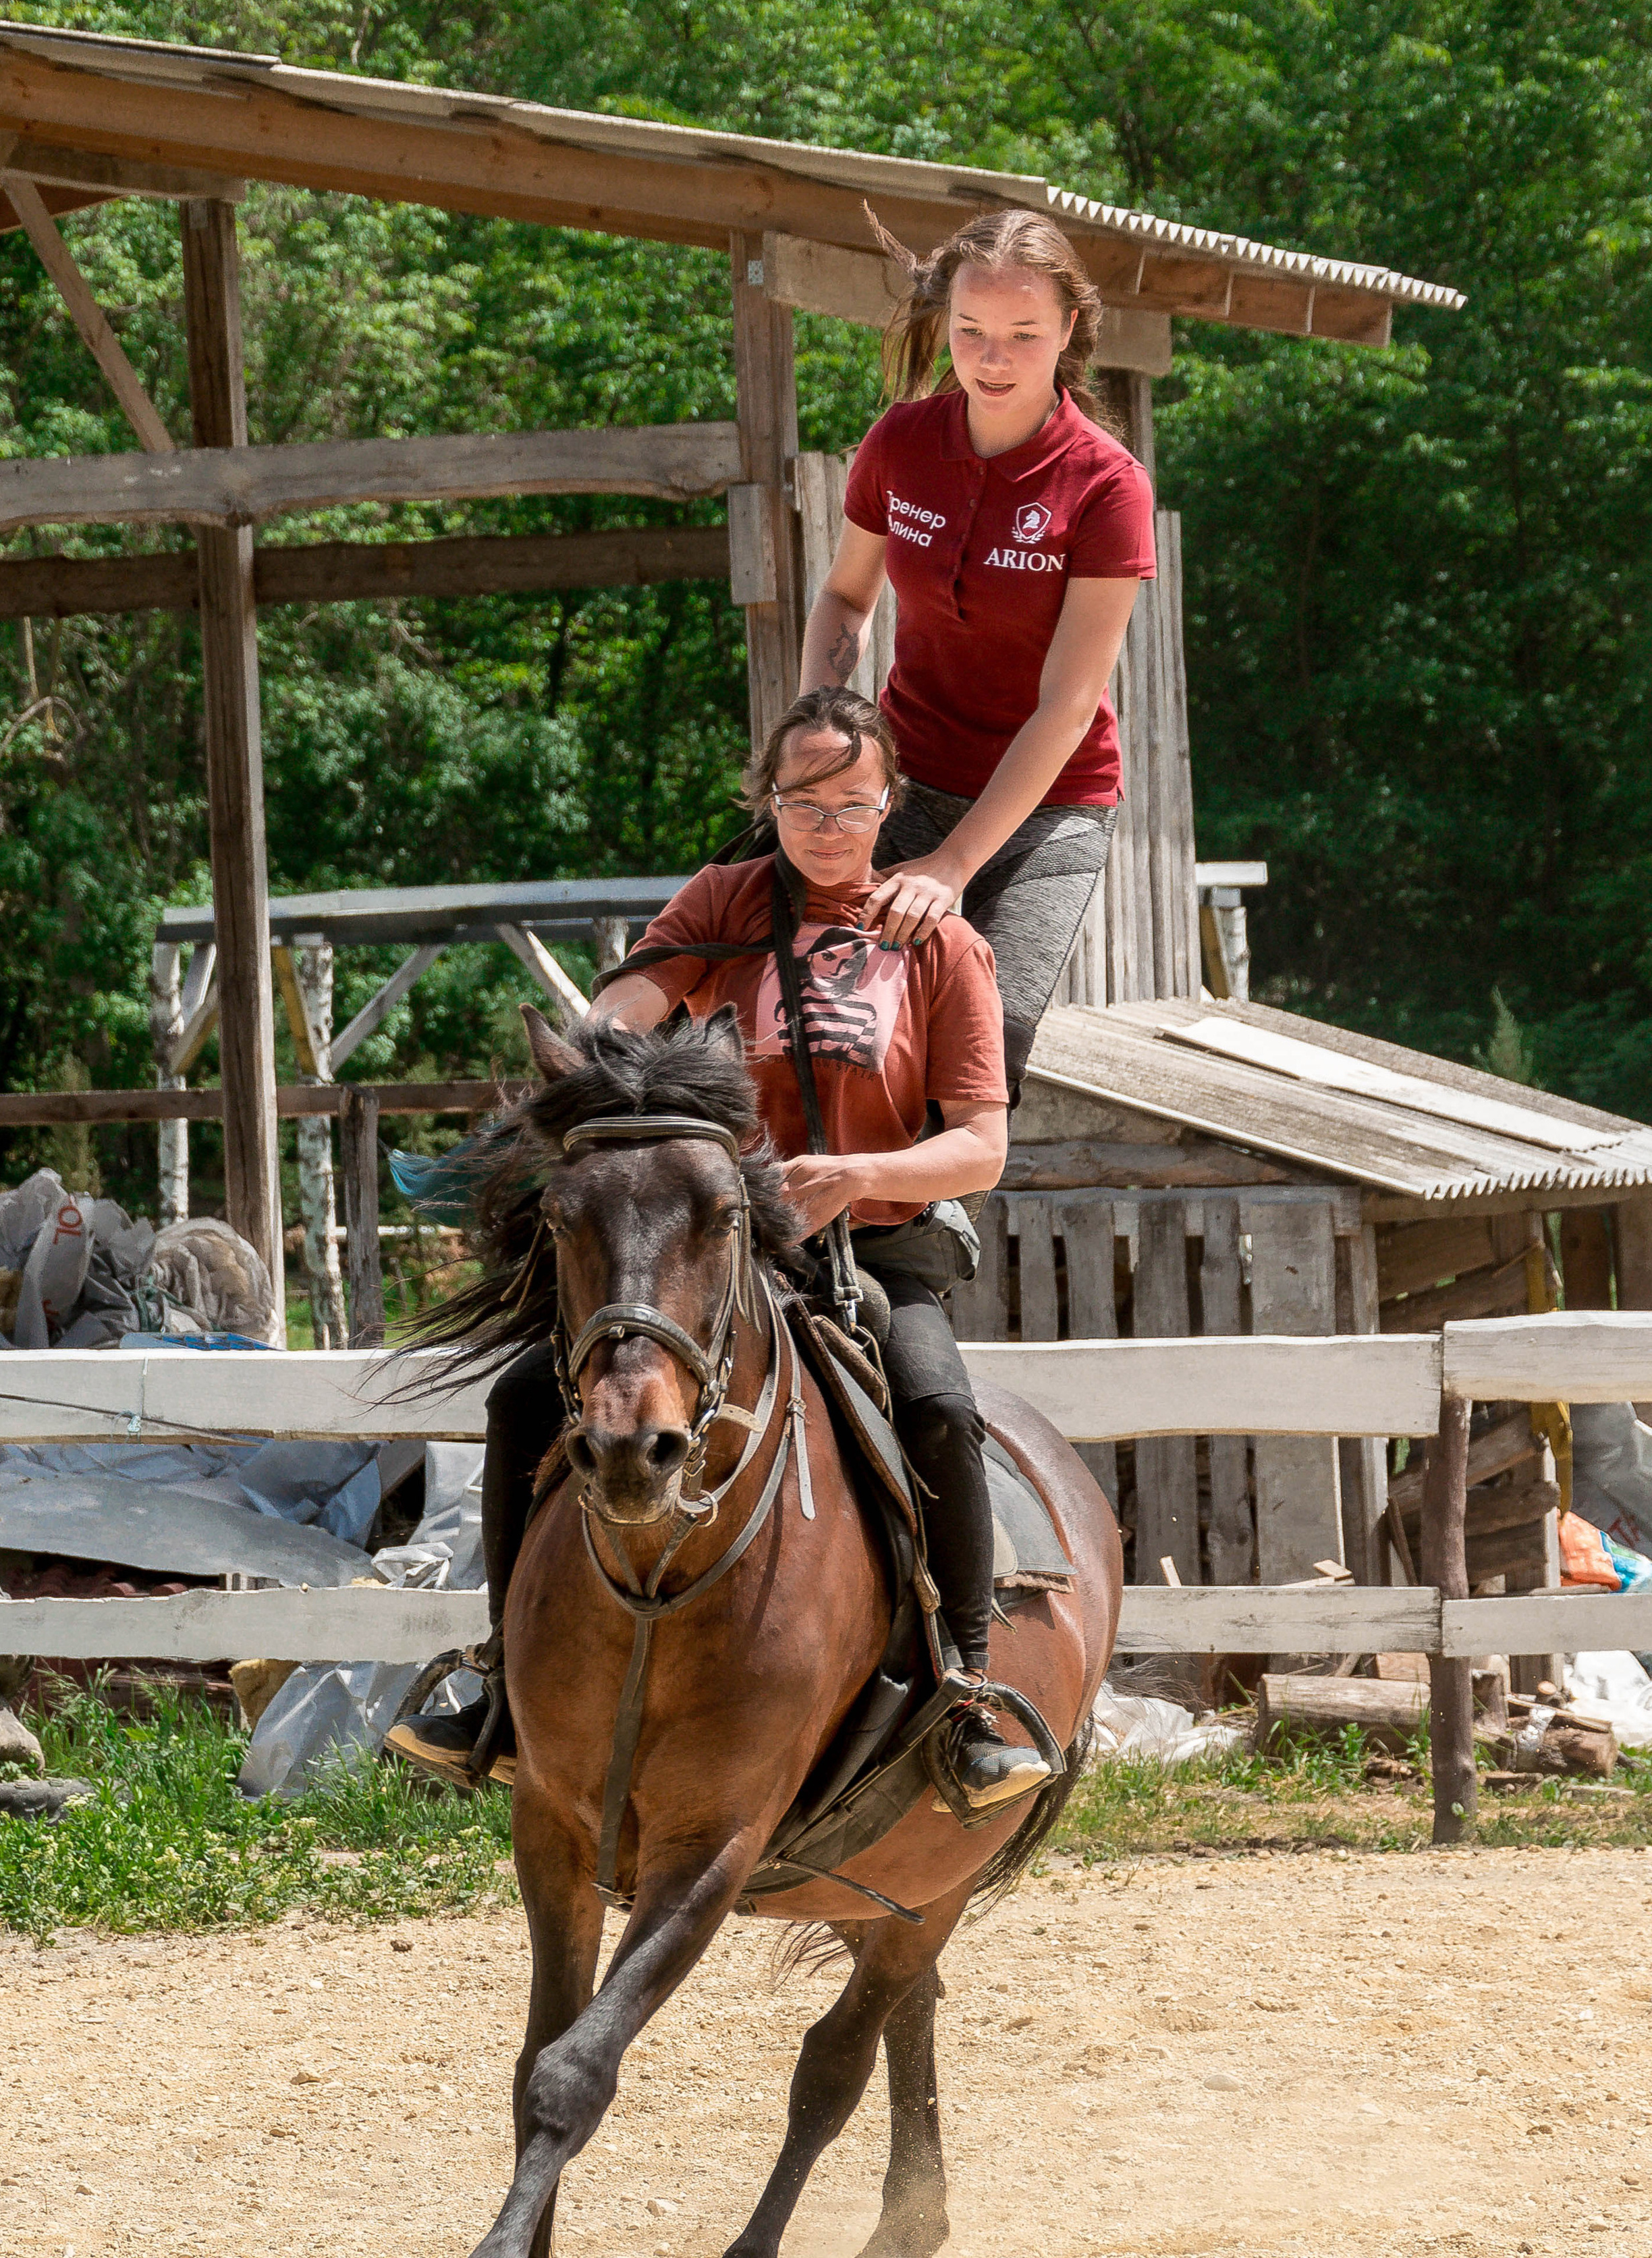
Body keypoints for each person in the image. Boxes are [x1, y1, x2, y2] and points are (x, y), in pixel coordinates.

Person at [389, 686, 1054, 1816]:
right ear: (769, 800)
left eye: (855, 802)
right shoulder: (728, 901)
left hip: (874, 1245)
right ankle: (500, 1685)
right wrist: (606, 1051)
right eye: (806, 800)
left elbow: (981, 1150)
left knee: (937, 1403)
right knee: (518, 1398)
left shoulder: (941, 940)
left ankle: (967, 1695)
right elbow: (623, 1013)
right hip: (711, 1245)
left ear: (889, 803)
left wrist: (859, 1176)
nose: (832, 825)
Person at [801, 205, 1156, 1097]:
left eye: (1022, 335)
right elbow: (847, 593)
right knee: (819, 1023)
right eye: (970, 333)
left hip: (1050, 810)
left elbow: (1069, 703)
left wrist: (951, 867)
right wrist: (824, 751)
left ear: (1070, 329)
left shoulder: (1108, 486)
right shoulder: (901, 442)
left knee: (974, 1066)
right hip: (909, 779)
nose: (991, 360)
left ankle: (942, 1229)